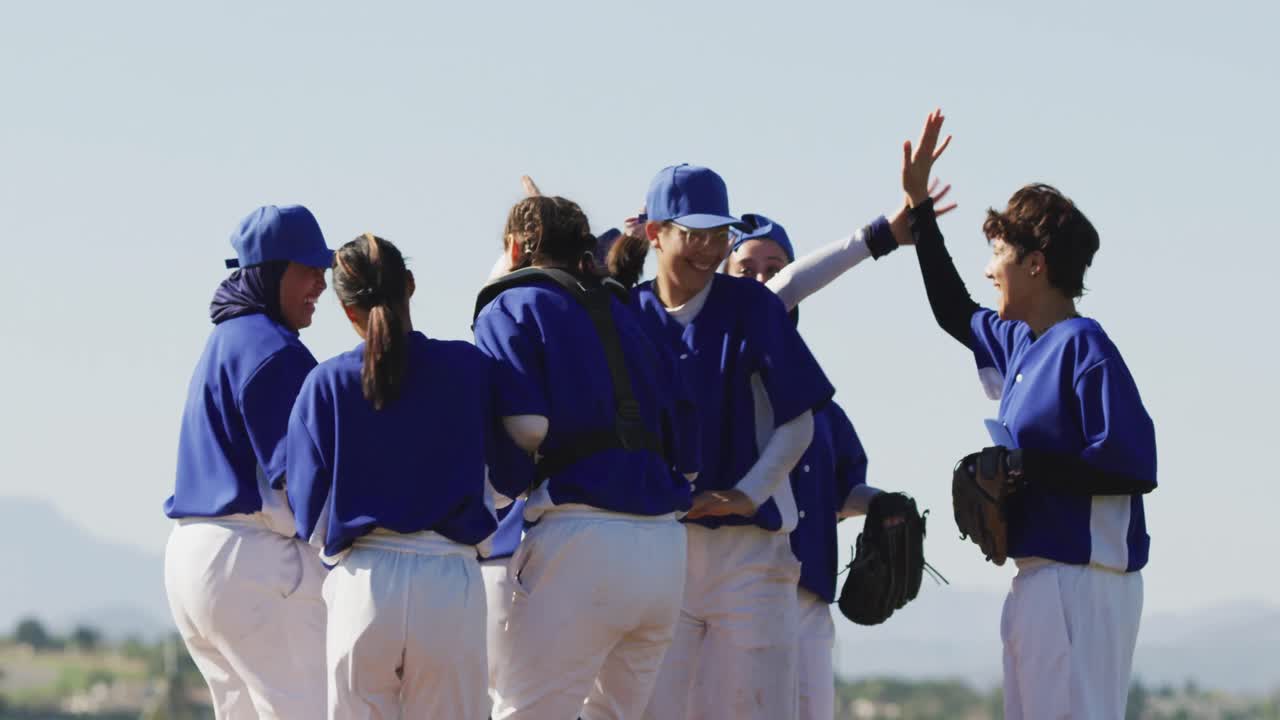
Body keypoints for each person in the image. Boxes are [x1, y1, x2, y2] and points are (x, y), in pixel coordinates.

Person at [899, 109, 1157, 718]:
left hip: (1085, 584)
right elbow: (952, 311)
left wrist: (1026, 465)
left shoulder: (1083, 346)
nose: (990, 269)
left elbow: (1134, 467)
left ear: (1035, 264)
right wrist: (920, 210)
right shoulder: (1022, 342)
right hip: (1039, 582)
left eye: (998, 253)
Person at [475, 195, 698, 720]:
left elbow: (527, 428)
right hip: (665, 547)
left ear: (513, 249)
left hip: (580, 536)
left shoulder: (511, 303)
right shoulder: (633, 313)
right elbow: (689, 456)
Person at [630, 164, 834, 720]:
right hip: (660, 552)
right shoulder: (627, 312)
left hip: (750, 553)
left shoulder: (751, 305)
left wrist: (748, 493)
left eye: (718, 235)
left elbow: (800, 422)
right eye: (693, 234)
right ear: (655, 233)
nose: (708, 248)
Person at [286, 233, 504, 719]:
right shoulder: (469, 368)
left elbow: (308, 511)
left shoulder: (325, 382)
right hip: (451, 581)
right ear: (409, 285)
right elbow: (506, 478)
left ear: (347, 311)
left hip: (364, 583)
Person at [726, 214, 900, 720]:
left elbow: (843, 490)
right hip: (737, 588)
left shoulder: (820, 404)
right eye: (745, 269)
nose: (761, 279)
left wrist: (883, 504)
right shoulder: (718, 381)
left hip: (809, 596)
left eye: (774, 267)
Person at [163, 204, 331, 720]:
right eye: (308, 269)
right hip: (252, 559)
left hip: (192, 559)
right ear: (271, 271)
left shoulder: (225, 341)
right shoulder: (273, 349)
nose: (321, 284)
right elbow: (307, 486)